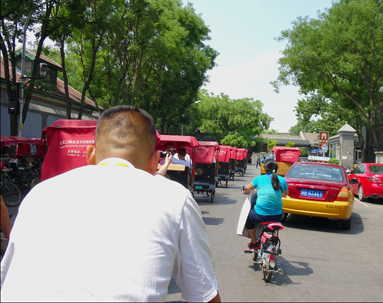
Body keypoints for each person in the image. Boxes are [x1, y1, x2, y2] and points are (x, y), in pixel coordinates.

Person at [0, 105, 220, 302]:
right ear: (155, 163)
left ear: (90, 155)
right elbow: (204, 295)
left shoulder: (40, 193)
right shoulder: (174, 198)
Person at [241, 159, 288, 250]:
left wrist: (243, 187)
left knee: (248, 219)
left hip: (260, 215)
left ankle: (254, 242)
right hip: (278, 216)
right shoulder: (282, 180)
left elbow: (248, 188)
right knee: (278, 212)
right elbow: (286, 193)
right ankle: (271, 234)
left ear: (264, 168)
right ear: (276, 168)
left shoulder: (259, 179)